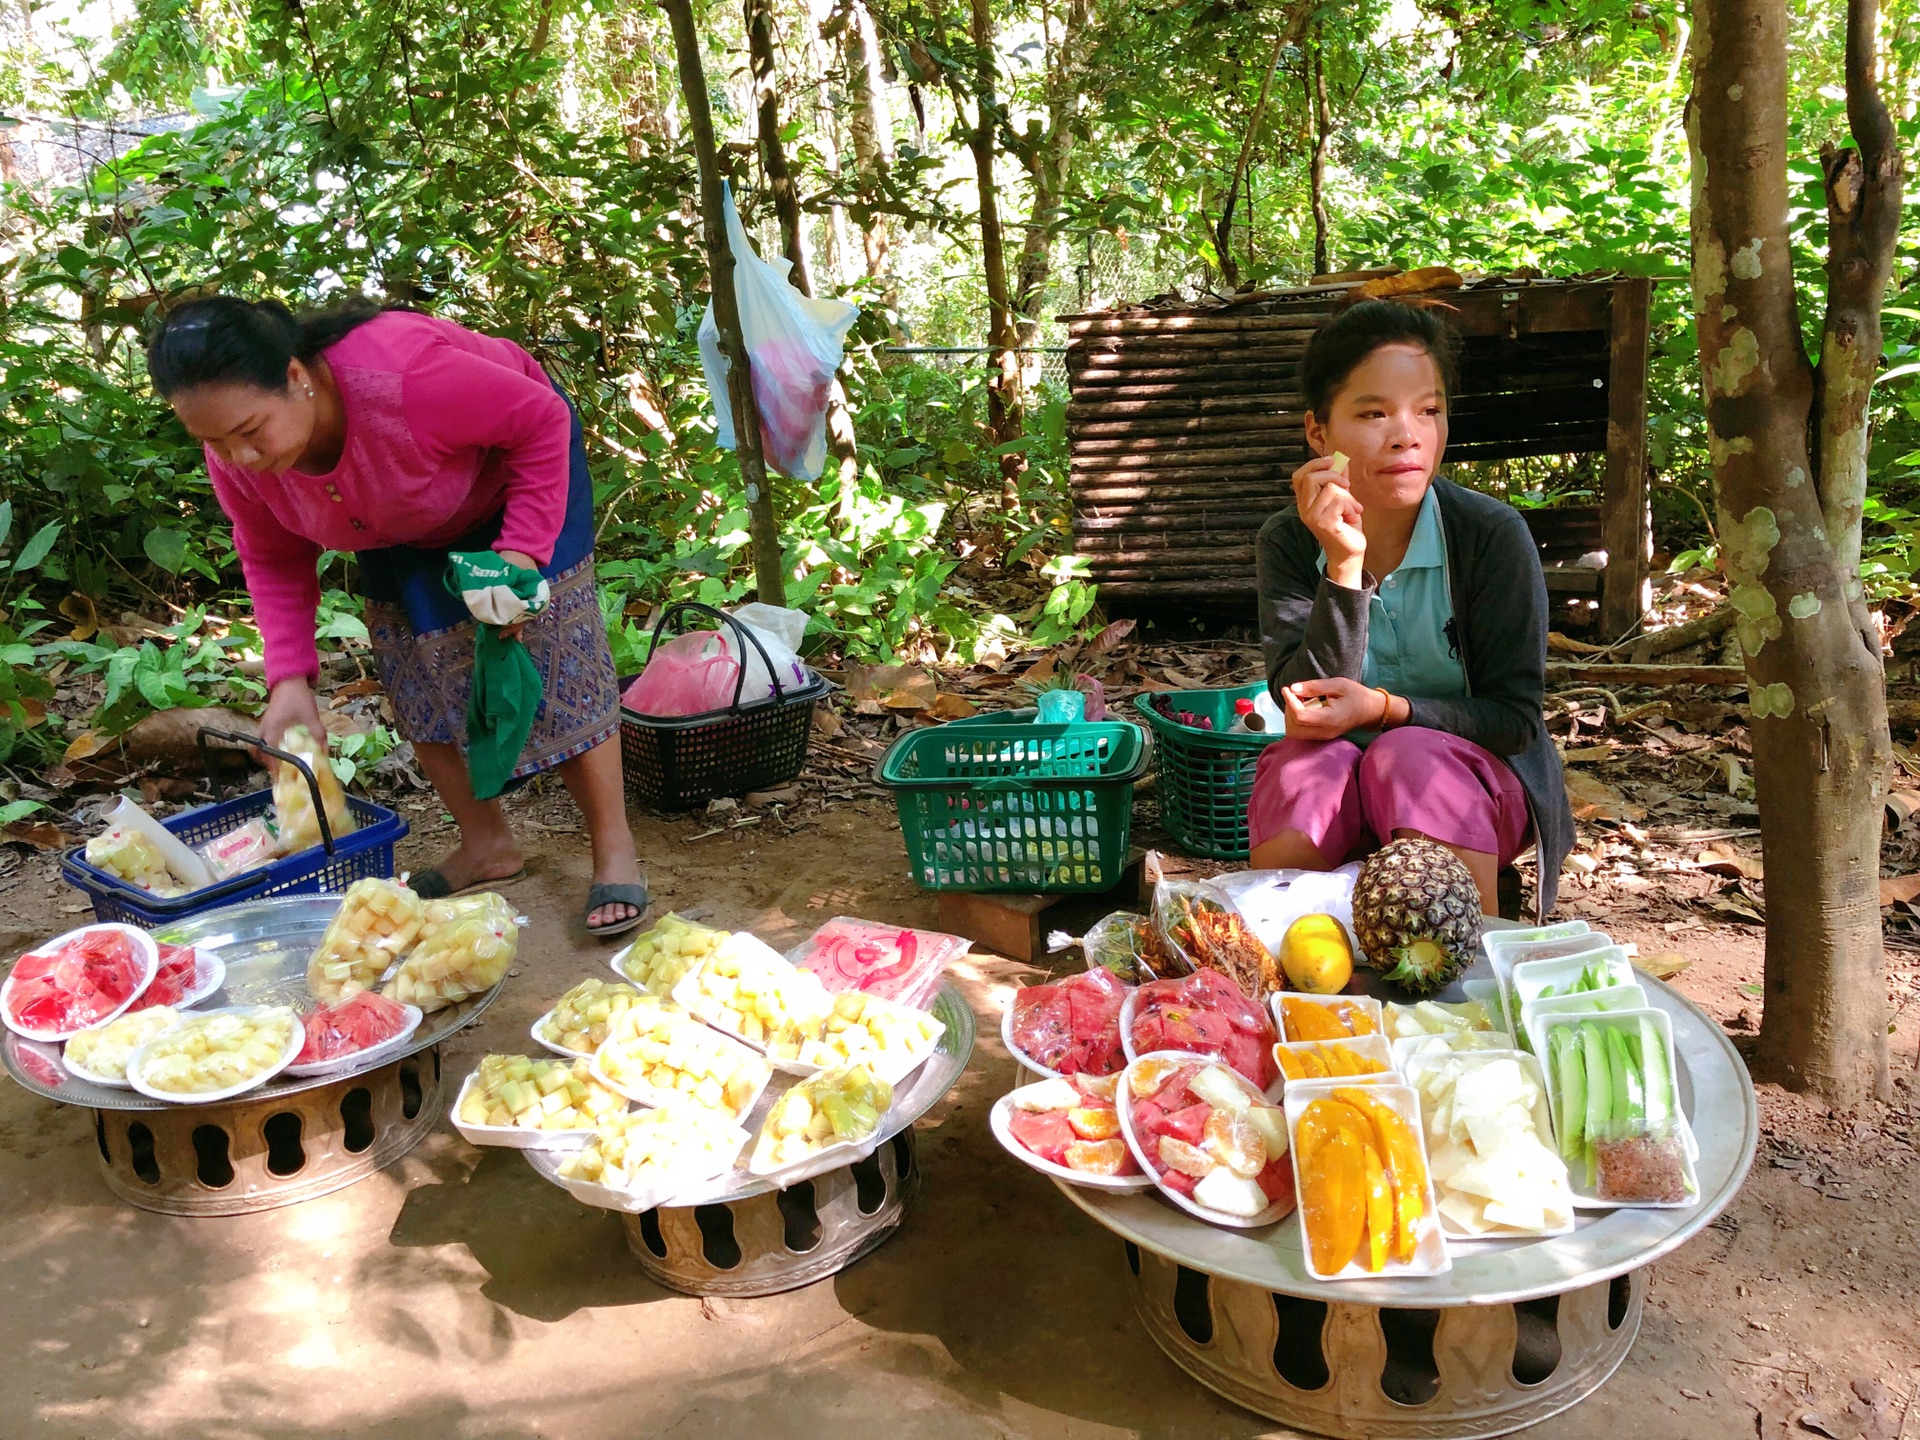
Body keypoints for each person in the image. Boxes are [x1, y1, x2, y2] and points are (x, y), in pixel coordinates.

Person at [146, 296, 650, 937]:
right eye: (212, 441)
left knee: (553, 653)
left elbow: (541, 420)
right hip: (391, 513)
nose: (236, 457)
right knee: (412, 664)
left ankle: (613, 848)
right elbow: (272, 553)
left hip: (510, 475)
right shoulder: (240, 461)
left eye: (249, 431)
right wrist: (289, 681)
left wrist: (519, 554)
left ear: (298, 378)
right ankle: (486, 845)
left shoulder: (404, 379)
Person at [1247, 298, 1574, 917]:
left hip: (1473, 786)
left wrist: (1390, 711)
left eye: (1429, 411)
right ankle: (1288, 960)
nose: (1408, 435)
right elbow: (1302, 702)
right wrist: (1342, 566)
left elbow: (1515, 720)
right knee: (1299, 766)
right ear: (1319, 432)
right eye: (1374, 413)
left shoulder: (1488, 536)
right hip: (1341, 785)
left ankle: (1463, 974)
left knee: (1408, 752)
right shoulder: (1289, 540)